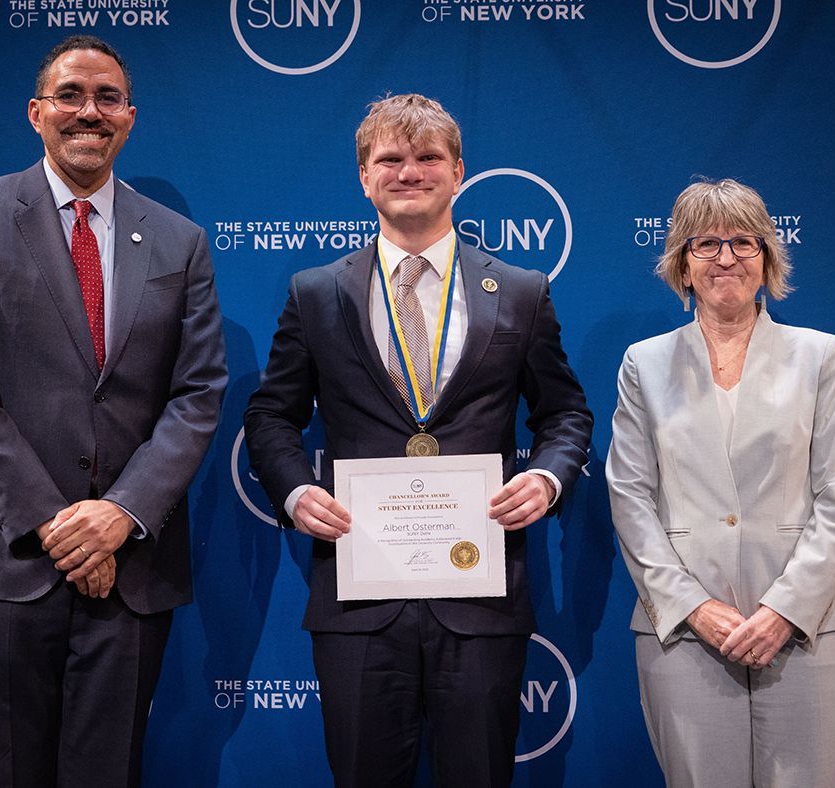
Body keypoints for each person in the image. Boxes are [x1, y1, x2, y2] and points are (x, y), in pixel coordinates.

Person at [244, 94, 592, 787]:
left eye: (428, 157)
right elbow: (270, 415)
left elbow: (566, 413)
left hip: (481, 595)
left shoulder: (520, 291)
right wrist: (295, 488)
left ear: (458, 171)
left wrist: (549, 478)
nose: (411, 171)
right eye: (390, 160)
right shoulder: (315, 292)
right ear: (364, 177)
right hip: (359, 596)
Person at [0, 35, 227, 788]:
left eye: (108, 99)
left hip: (129, 567)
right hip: (4, 555)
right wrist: (56, 524)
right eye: (71, 96)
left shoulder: (179, 243)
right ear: (37, 112)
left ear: (130, 117)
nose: (89, 112)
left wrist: (121, 513)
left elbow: (197, 393)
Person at [606, 178, 835, 786]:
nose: (726, 258)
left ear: (767, 258)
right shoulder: (644, 362)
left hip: (808, 630)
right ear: (682, 264)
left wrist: (783, 609)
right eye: (706, 244)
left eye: (743, 243)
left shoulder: (820, 355)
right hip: (687, 637)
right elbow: (630, 497)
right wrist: (694, 607)